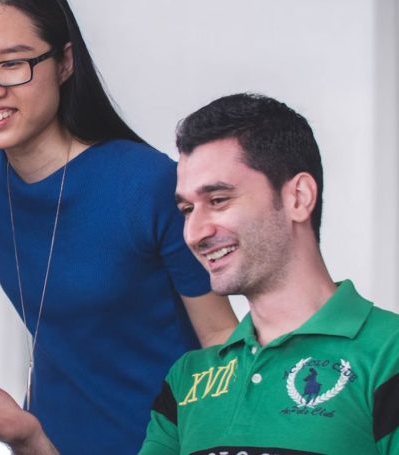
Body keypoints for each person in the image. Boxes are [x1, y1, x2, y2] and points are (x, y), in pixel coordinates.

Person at [0, 0, 237, 453]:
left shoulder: (148, 183)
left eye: (12, 64)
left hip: (162, 441)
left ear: (65, 62)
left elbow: (220, 338)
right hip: (46, 440)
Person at [139, 93, 399, 454]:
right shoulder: (188, 378)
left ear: (298, 197)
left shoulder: (390, 353)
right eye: (186, 209)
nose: (194, 233)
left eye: (217, 200)